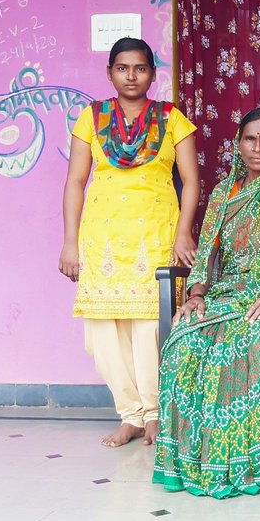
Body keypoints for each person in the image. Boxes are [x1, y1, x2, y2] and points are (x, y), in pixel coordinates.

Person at [153, 108, 260, 498]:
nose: (258, 148)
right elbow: (205, 258)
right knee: (184, 341)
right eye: (251, 139)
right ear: (239, 143)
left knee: (253, 337)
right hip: (226, 296)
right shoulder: (222, 195)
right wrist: (196, 295)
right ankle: (192, 459)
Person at [59, 37, 200, 448]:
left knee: (149, 328)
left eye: (140, 68)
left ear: (153, 75)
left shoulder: (173, 119)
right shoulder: (91, 117)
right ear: (109, 73)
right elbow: (75, 182)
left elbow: (191, 180)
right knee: (102, 332)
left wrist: (183, 232)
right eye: (123, 68)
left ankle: (154, 413)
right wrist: (70, 242)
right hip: (102, 240)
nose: (131, 76)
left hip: (155, 237)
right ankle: (130, 415)